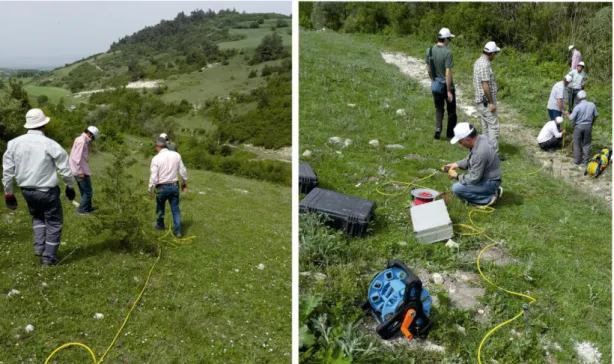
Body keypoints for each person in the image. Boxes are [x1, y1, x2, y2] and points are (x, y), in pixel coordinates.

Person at [2, 108, 76, 266]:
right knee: (54, 222)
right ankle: (48, 259)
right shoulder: (50, 144)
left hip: (27, 191)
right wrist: (70, 186)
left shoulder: (13, 144)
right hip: (47, 191)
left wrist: (8, 194)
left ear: (28, 125)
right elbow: (65, 168)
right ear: (44, 125)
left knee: (38, 217)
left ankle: (39, 248)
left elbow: (7, 172)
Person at [444, 122, 503, 206]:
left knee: (457, 189)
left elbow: (473, 178)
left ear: (468, 140)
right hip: (492, 179)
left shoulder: (479, 153)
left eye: (460, 142)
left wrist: (457, 176)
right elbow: (471, 158)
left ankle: (488, 199)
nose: (461, 145)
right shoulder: (481, 138)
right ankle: (491, 190)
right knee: (460, 186)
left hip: (490, 182)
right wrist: (457, 164)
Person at [148, 136, 188, 238]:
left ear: (157, 147)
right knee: (175, 209)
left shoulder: (156, 159)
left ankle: (160, 225)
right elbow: (183, 171)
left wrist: (150, 189)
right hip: (174, 186)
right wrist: (184, 183)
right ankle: (178, 231)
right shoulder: (176, 155)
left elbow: (153, 176)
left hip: (161, 187)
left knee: (160, 207)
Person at [424, 27, 457, 140]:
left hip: (436, 85)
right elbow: (448, 73)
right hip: (447, 86)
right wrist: (449, 91)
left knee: (439, 108)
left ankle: (438, 128)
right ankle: (450, 133)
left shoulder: (430, 50)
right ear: (446, 39)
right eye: (449, 39)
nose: (449, 42)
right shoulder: (448, 53)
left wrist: (433, 80)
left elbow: (428, 68)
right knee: (451, 111)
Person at [473, 41, 503, 160]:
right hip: (486, 102)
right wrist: (491, 103)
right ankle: (493, 155)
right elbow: (485, 85)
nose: (495, 56)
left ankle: (485, 152)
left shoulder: (478, 61)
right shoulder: (485, 65)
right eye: (494, 53)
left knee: (485, 127)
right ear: (490, 53)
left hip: (480, 101)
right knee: (493, 127)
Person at [69, 126, 100, 215]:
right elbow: (76, 157)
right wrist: (80, 171)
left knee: (84, 191)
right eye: (93, 136)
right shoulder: (82, 141)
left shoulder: (80, 139)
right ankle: (81, 210)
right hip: (80, 171)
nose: (92, 139)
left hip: (78, 169)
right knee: (88, 192)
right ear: (89, 133)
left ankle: (88, 208)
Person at [565, 90, 598, 166]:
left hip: (578, 127)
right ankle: (586, 161)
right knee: (586, 144)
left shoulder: (577, 107)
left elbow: (571, 118)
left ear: (579, 98)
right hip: (588, 126)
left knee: (577, 144)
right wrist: (592, 122)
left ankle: (577, 160)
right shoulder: (592, 105)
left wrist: (567, 114)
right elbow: (596, 115)